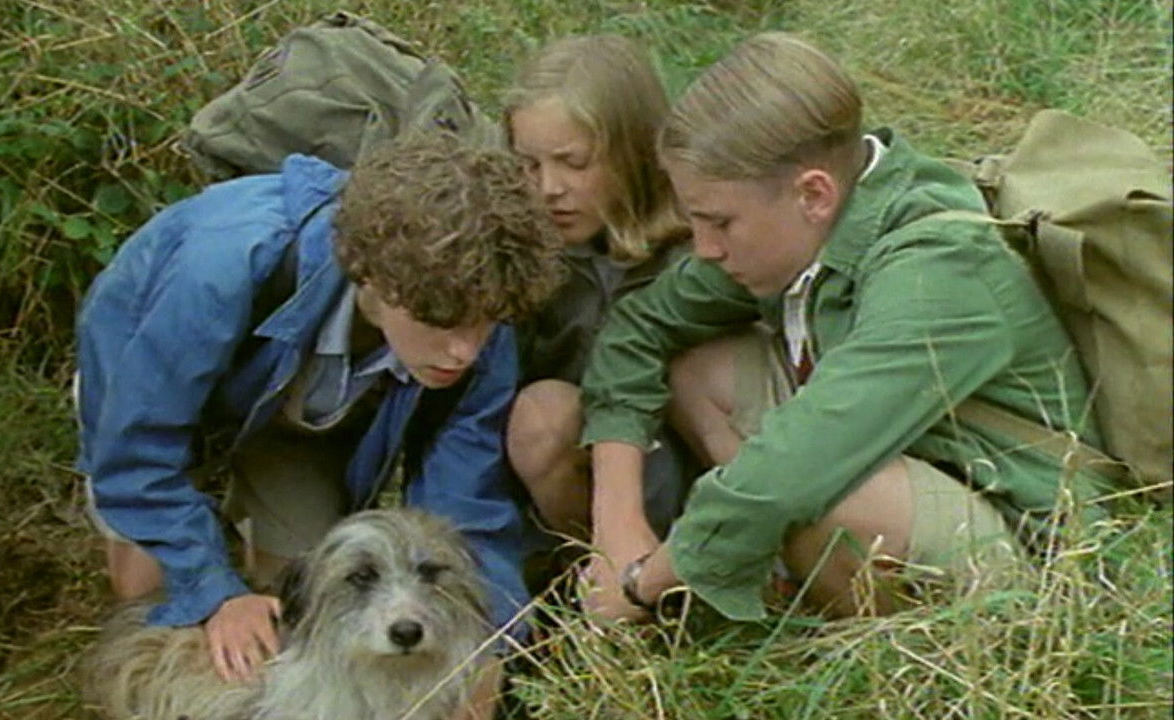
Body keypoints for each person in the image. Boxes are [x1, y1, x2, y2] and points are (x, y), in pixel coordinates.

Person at [578, 32, 1117, 622]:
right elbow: (640, 327)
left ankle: (882, 651)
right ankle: (777, 573)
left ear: (814, 194)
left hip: (1022, 523)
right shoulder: (795, 223)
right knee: (697, 370)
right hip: (901, 462)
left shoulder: (938, 271)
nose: (703, 249)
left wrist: (639, 584)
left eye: (719, 222)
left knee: (830, 507)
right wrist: (618, 526)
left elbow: (793, 472)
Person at [74, 132, 564, 717]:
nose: (464, 352)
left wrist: (488, 644)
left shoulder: (478, 305)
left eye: (485, 326)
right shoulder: (222, 268)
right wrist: (213, 595)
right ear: (374, 280)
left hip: (307, 412)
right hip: (150, 386)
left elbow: (463, 511)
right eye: (445, 321)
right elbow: (136, 454)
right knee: (159, 597)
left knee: (307, 606)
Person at [501, 35, 693, 552]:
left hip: (685, 476)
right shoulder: (520, 251)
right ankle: (586, 572)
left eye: (574, 162)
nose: (548, 188)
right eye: (529, 165)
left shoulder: (699, 243)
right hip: (574, 480)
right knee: (540, 415)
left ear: (633, 151)